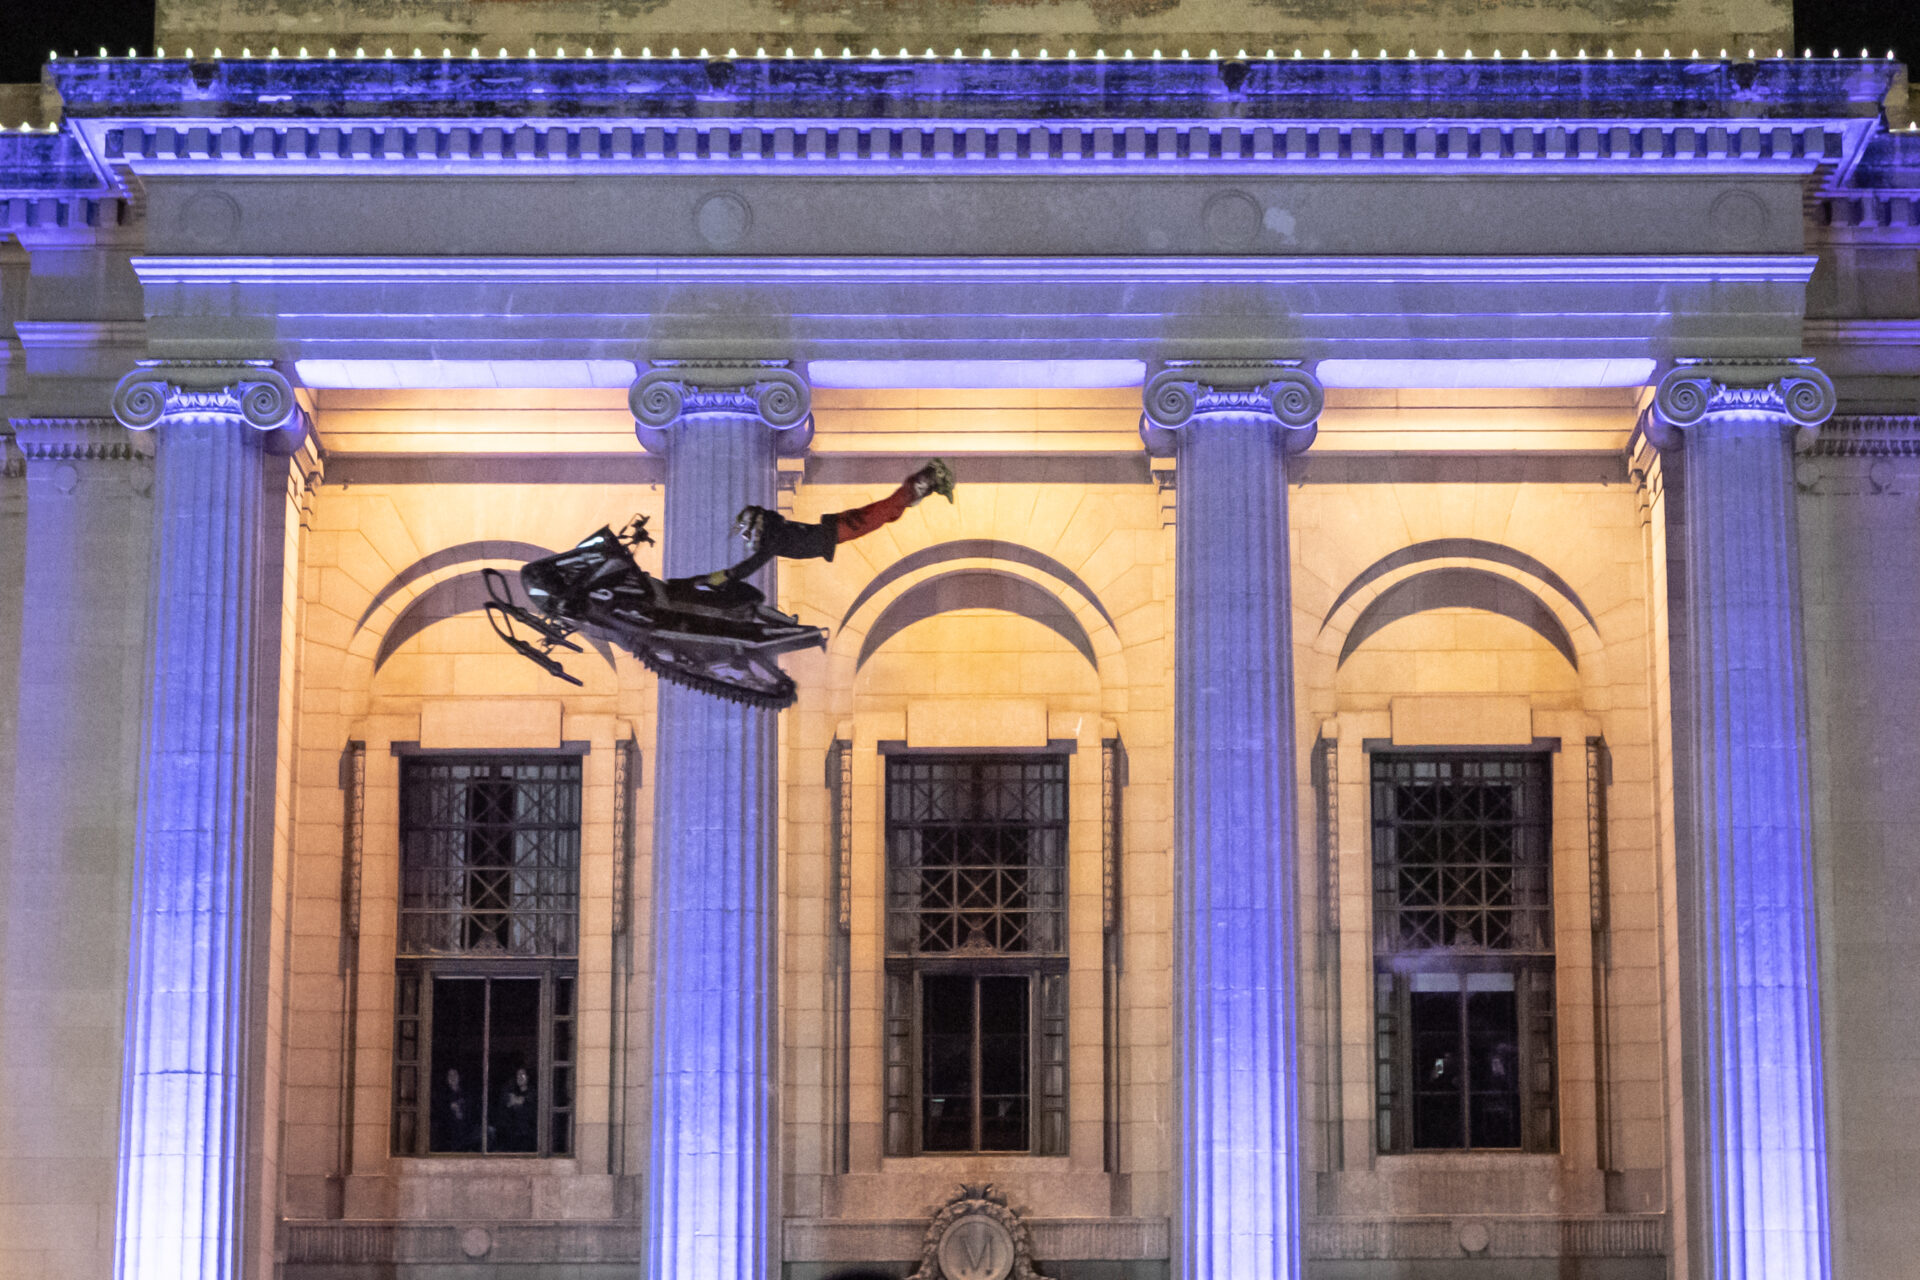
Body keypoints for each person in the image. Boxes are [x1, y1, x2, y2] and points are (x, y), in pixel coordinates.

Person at [697, 459, 954, 588]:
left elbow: (754, 562)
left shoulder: (772, 537)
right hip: (834, 531)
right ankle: (929, 479)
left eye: (747, 533)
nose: (748, 539)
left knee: (887, 509)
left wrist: (724, 576)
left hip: (835, 531)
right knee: (888, 511)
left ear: (756, 524)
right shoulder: (773, 532)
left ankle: (931, 476)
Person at [493, 1064, 537, 1153]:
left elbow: (525, 1102)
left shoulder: (533, 1092)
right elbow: (508, 1104)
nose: (520, 1077)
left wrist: (518, 1100)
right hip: (513, 1134)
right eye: (518, 1075)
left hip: (528, 1134)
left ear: (528, 1077)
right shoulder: (512, 1090)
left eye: (522, 1074)